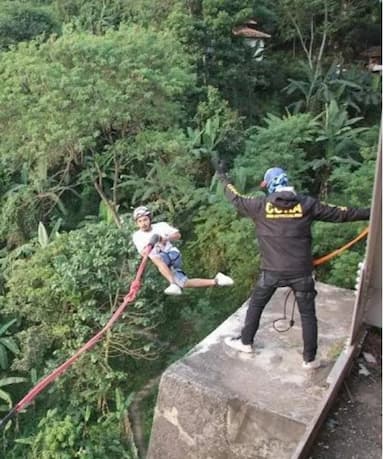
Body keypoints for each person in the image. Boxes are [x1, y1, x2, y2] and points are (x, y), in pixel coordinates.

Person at [214, 164, 370, 369]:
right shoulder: (306, 204)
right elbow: (343, 213)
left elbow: (235, 198)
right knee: (307, 314)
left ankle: (246, 343)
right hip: (301, 273)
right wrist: (373, 212)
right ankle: (309, 359)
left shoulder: (259, 205)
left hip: (271, 272)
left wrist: (224, 179)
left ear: (268, 185)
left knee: (256, 306)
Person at [132, 206, 234, 295]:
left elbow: (177, 235)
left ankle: (172, 283)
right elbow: (143, 253)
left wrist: (164, 238)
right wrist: (150, 245)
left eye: (145, 220)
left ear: (149, 219)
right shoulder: (137, 236)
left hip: (172, 255)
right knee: (183, 283)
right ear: (137, 223)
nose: (143, 223)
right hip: (164, 265)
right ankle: (217, 280)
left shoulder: (161, 226)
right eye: (140, 221)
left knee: (156, 258)